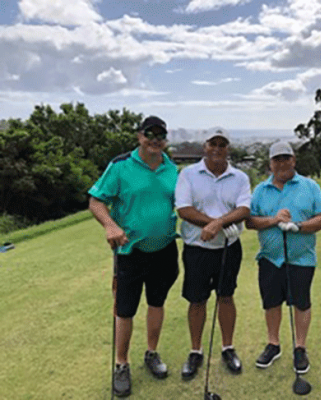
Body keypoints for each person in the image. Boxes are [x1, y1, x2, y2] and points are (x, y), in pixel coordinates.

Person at [88, 116, 179, 397]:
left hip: (165, 249)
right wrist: (110, 225)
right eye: (150, 134)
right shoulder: (120, 166)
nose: (155, 140)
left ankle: (151, 353)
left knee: (157, 302)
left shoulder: (172, 169)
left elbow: (181, 205)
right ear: (140, 136)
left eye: (160, 135)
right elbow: (96, 201)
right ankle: (121, 364)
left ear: (165, 140)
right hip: (130, 252)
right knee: (125, 309)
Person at [245, 141, 321, 374]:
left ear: (293, 160)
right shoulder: (261, 190)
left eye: (286, 158)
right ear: (270, 163)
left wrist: (298, 226)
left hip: (301, 258)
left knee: (301, 303)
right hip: (270, 258)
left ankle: (300, 347)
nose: (282, 163)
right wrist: (274, 220)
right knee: (271, 303)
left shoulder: (309, 186)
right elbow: (250, 221)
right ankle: (273, 344)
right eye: (277, 159)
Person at [175, 130, 251, 380]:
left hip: (229, 247)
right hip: (197, 248)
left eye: (222, 144)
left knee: (226, 296)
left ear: (228, 148)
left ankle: (228, 348)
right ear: (205, 146)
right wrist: (213, 223)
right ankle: (195, 351)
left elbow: (244, 209)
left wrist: (217, 224)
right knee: (197, 300)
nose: (217, 148)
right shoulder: (188, 174)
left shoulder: (239, 177)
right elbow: (184, 209)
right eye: (213, 143)